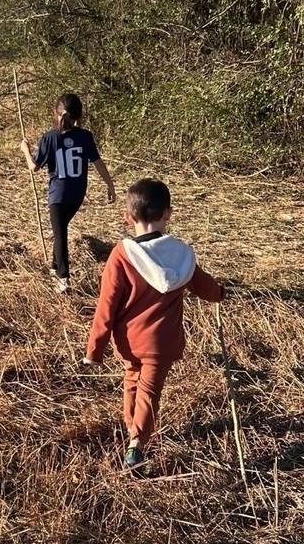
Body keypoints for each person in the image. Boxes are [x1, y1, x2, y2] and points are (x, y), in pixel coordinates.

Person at [83, 178, 222, 471]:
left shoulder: (121, 255)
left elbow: (106, 305)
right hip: (162, 343)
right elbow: (204, 286)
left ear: (127, 217)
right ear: (168, 213)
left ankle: (132, 428)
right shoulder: (181, 255)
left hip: (129, 340)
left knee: (133, 381)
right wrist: (220, 293)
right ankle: (136, 443)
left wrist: (95, 349)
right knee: (150, 391)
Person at [20, 93, 115, 292]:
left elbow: (34, 167)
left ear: (56, 114)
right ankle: (55, 267)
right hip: (77, 195)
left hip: (58, 195)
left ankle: (63, 278)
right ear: (79, 116)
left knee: (60, 233)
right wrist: (109, 184)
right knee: (60, 229)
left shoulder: (49, 137)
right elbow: (98, 163)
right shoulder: (85, 137)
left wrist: (25, 150)